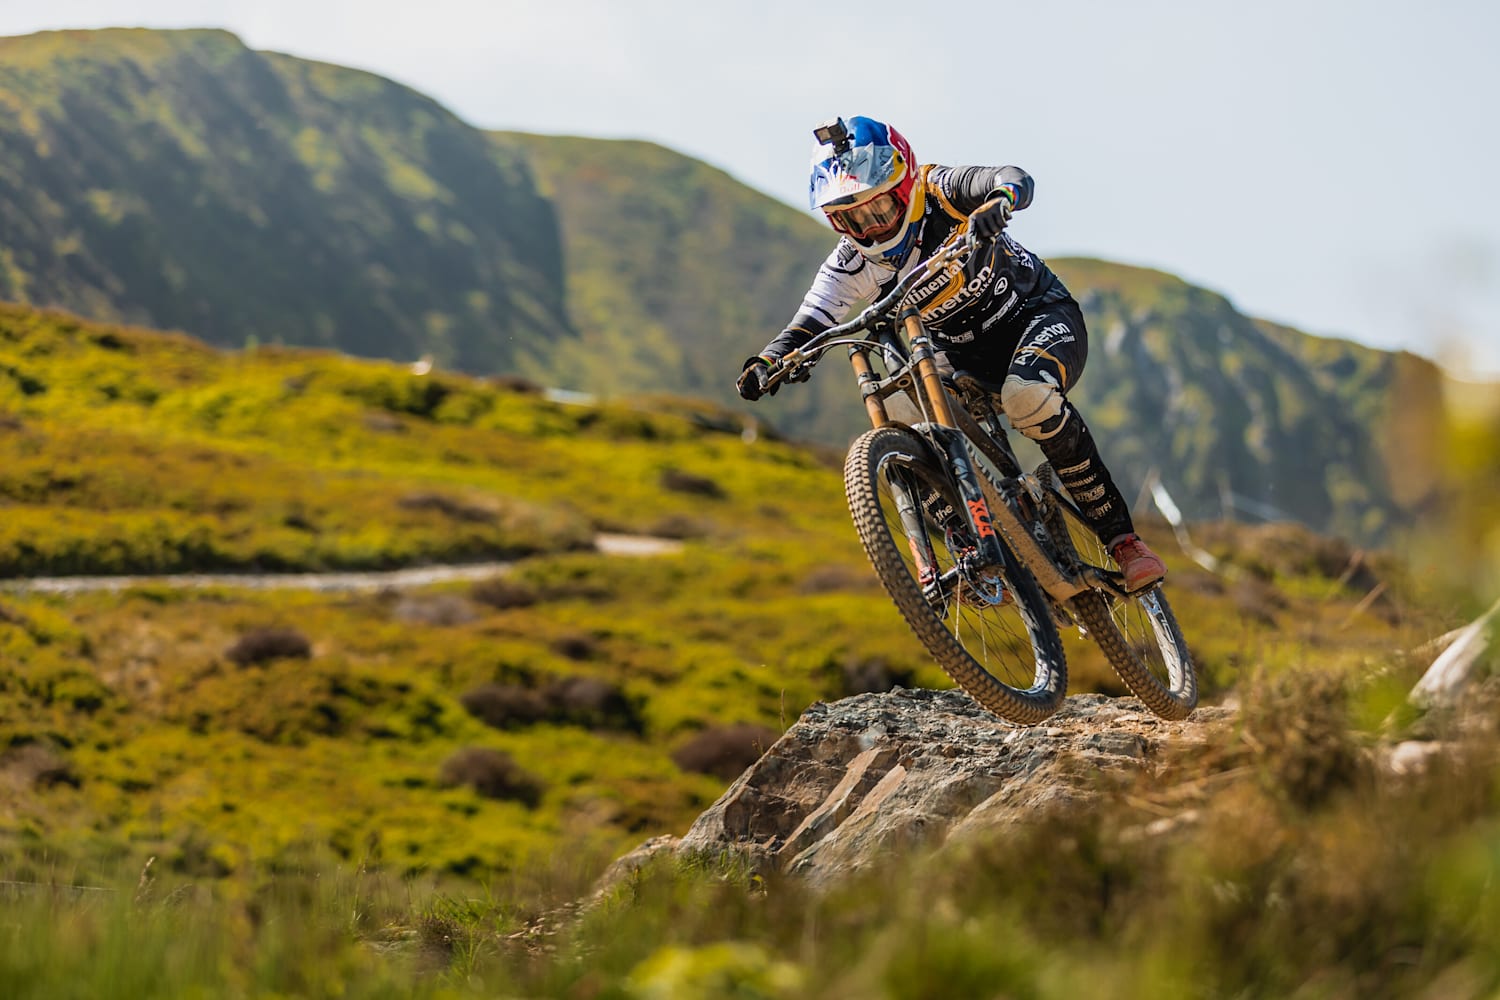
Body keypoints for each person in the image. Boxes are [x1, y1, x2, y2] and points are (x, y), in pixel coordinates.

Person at [735, 115, 1167, 592]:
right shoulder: (849, 264)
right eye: (851, 219)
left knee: (1028, 398)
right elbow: (808, 323)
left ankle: (1124, 542)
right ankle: (970, 544)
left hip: (1038, 318)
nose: (871, 228)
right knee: (900, 408)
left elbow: (1012, 177)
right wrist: (768, 362)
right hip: (962, 358)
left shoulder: (939, 189)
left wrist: (999, 203)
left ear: (902, 186)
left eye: (878, 208)